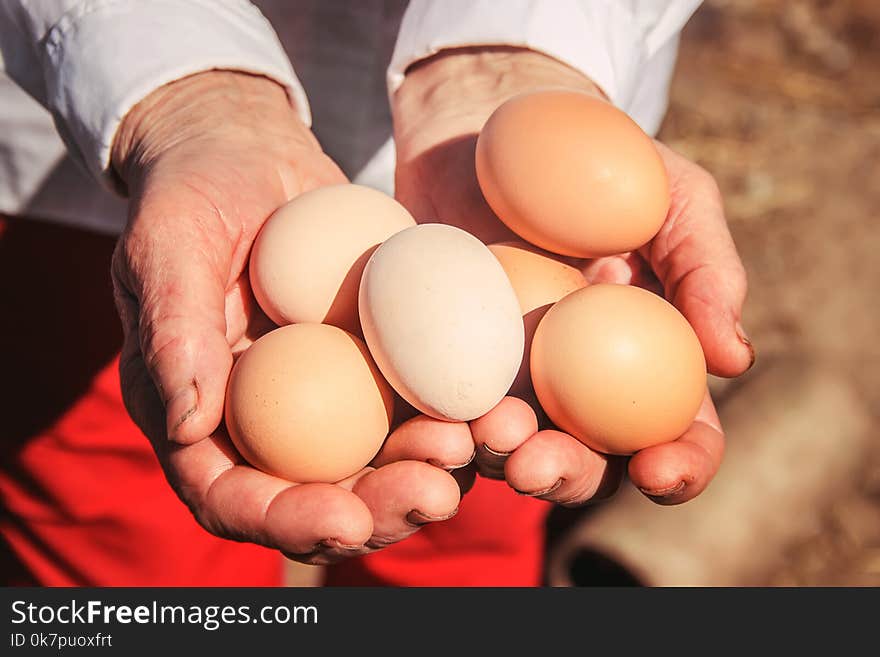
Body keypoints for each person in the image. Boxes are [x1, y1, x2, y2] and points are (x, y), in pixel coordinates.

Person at [0, 0, 754, 586]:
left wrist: (509, 43)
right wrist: (180, 98)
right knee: (125, 541)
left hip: (520, 221)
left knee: (469, 520)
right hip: (114, 167)